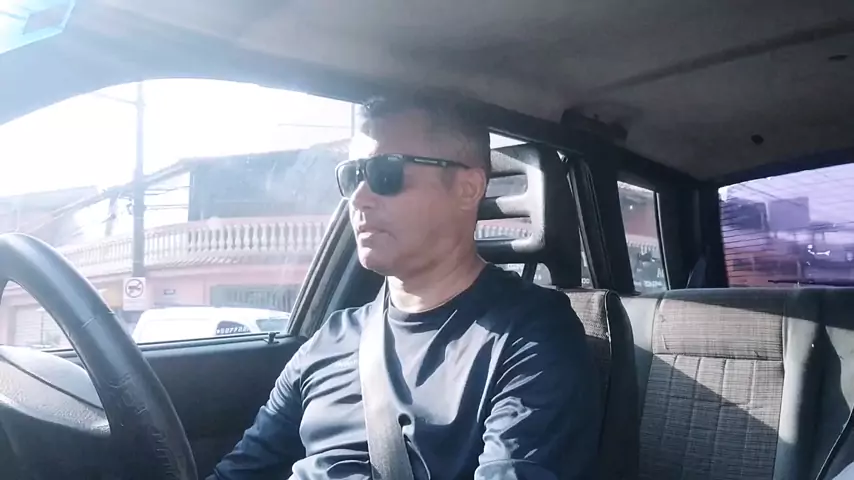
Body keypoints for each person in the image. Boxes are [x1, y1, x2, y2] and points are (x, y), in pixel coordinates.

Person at [208, 94, 601, 479]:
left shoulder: (529, 335)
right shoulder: (332, 337)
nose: (359, 198)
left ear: (467, 188)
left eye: (386, 173)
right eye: (352, 176)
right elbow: (241, 471)